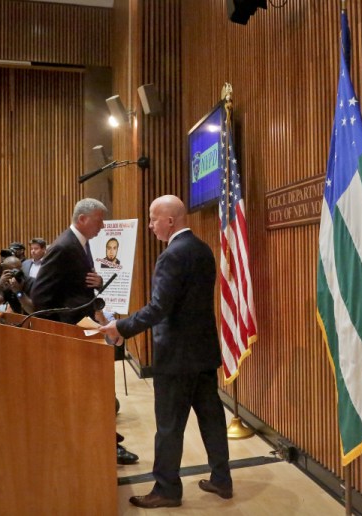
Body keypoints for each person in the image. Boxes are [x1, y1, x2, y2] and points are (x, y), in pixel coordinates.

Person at [101, 195, 232, 509]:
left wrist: (122, 328)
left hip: (176, 358)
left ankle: (167, 490)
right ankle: (221, 480)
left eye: (152, 218)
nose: (150, 225)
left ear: (169, 220)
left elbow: (160, 307)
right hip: (203, 353)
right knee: (211, 419)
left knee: (169, 426)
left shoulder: (172, 255)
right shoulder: (202, 250)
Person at [31, 198, 139, 465]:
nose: (103, 226)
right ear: (82, 219)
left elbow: (78, 286)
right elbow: (40, 296)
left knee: (93, 390)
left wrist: (99, 281)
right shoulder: (64, 247)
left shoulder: (80, 244)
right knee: (88, 392)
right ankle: (102, 446)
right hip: (71, 335)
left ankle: (105, 442)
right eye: (99, 220)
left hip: (84, 331)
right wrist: (63, 326)